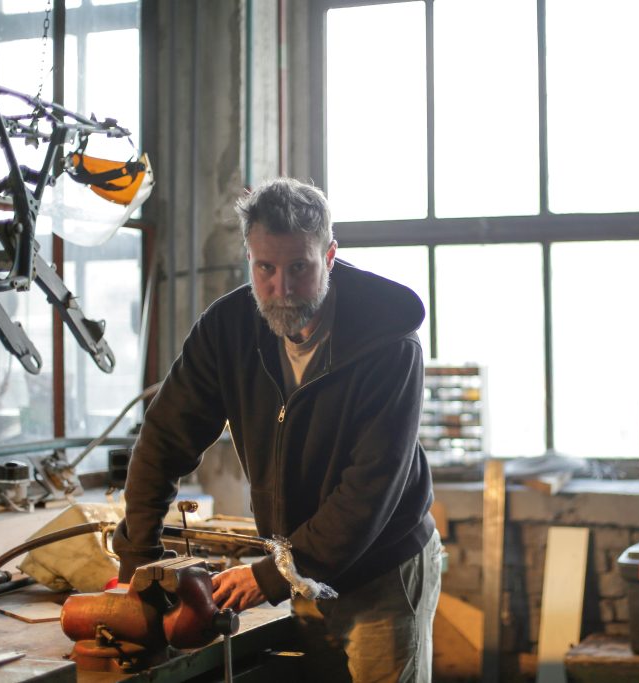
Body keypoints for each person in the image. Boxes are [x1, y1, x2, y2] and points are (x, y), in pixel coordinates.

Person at [113, 177, 441, 681]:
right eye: (265, 268)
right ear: (249, 257)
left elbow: (369, 490)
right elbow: (163, 440)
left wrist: (276, 573)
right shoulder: (228, 329)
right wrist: (139, 556)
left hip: (381, 571)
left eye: (299, 268)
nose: (281, 289)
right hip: (298, 563)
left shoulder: (389, 344)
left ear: (329, 256)